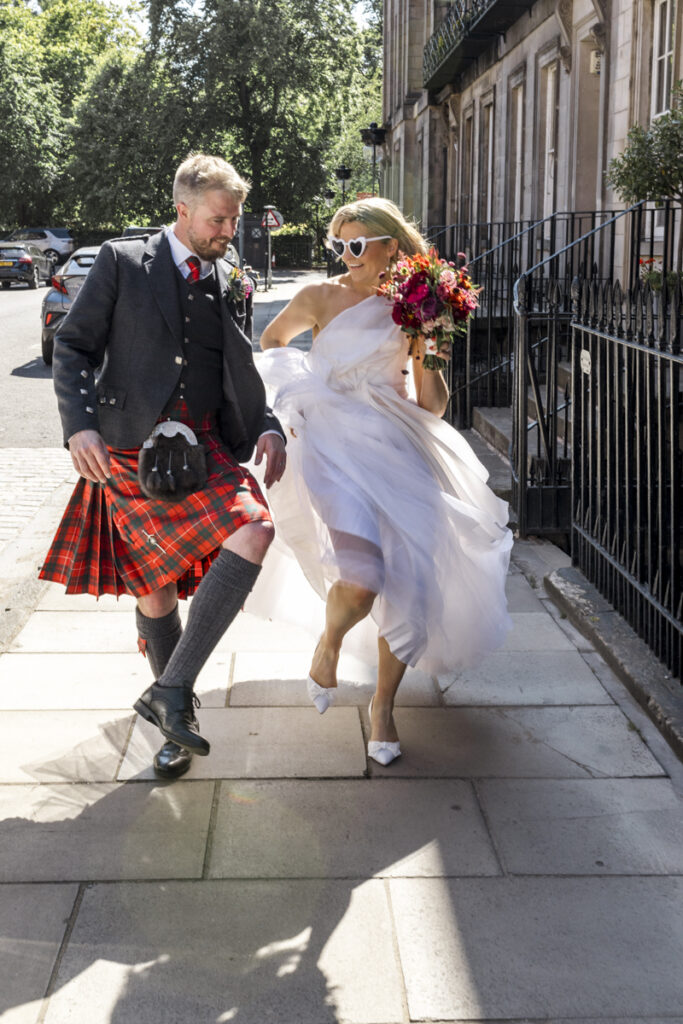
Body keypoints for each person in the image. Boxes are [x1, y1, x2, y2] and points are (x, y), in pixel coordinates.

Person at [40, 153, 286, 778]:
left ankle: (171, 691)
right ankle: (178, 728)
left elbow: (240, 363)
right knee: (156, 591)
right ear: (183, 209)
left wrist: (266, 424)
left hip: (205, 444)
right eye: (218, 219)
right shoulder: (123, 263)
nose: (228, 231)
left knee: (255, 528)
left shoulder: (231, 275)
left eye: (233, 220)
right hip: (129, 447)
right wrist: (80, 425)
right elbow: (71, 345)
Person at [257, 198, 512, 766]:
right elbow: (272, 342)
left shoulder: (421, 307)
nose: (345, 257)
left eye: (356, 245)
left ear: (391, 248)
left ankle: (382, 707)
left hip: (395, 443)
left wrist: (430, 342)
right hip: (328, 441)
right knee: (363, 574)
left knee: (409, 580)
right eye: (338, 246)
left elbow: (433, 406)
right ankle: (329, 645)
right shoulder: (318, 297)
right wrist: (300, 397)